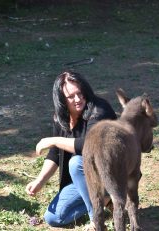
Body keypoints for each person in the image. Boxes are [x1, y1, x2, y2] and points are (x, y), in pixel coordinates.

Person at [25, 70, 117, 228]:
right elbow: (55, 154)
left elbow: (89, 146)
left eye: (80, 93)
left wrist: (53, 139)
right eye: (71, 96)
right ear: (61, 100)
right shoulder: (60, 118)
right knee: (53, 218)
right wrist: (40, 181)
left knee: (76, 163)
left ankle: (97, 219)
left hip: (111, 174)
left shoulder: (100, 110)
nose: (78, 99)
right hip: (85, 179)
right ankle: (106, 199)